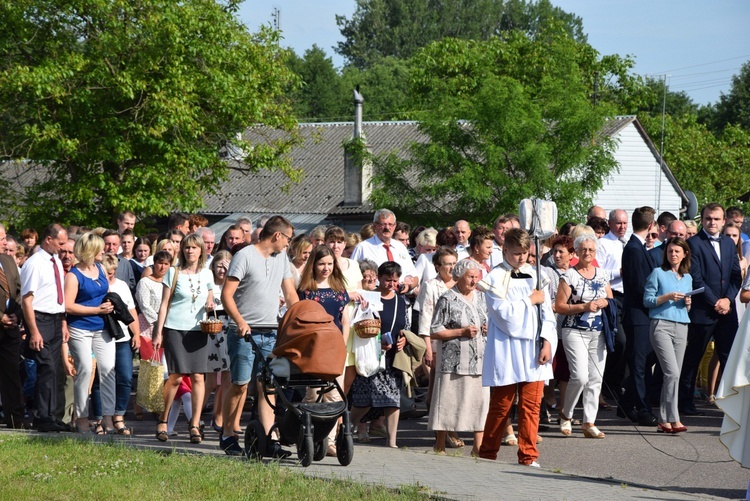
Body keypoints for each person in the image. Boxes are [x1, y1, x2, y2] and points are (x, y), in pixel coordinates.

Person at [219, 216, 299, 457]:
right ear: (277, 236)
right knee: (240, 385)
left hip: (271, 332)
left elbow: (290, 293)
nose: (288, 244)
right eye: (288, 238)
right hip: (244, 332)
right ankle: (228, 435)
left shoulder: (282, 258)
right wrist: (240, 321)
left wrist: (298, 319)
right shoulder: (244, 256)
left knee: (269, 387)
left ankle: (270, 440)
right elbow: (227, 295)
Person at [477, 229, 556, 467]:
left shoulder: (535, 274)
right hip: (507, 348)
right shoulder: (494, 278)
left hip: (533, 348)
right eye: (516, 254)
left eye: (525, 253)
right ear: (505, 251)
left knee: (531, 406)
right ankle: (487, 453)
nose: (521, 258)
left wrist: (548, 341)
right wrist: (529, 300)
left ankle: (528, 456)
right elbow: (502, 315)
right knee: (501, 406)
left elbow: (548, 313)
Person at [152, 233, 215, 444]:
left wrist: (210, 303)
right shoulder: (173, 272)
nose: (190, 251)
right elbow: (164, 304)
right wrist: (158, 332)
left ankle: (194, 424)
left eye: (194, 247)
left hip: (199, 330)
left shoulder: (207, 274)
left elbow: (210, 297)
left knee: (198, 377)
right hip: (174, 328)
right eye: (187, 247)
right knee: (176, 377)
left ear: (201, 251)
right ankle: (163, 420)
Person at [680, 203, 741, 416]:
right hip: (703, 311)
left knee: (729, 358)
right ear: (702, 220)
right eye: (708, 219)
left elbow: (736, 276)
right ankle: (685, 403)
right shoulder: (693, 244)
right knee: (693, 358)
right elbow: (695, 278)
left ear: (723, 221)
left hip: (727, 312)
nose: (712, 222)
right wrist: (716, 301)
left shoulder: (728, 243)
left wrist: (728, 300)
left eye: (716, 219)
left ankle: (733, 404)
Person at [297, 245, 359, 456]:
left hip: (335, 349)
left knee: (334, 396)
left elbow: (344, 319)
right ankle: (306, 432)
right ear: (313, 264)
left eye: (330, 264)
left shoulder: (339, 288)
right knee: (314, 394)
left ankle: (330, 440)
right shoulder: (305, 290)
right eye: (322, 263)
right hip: (314, 349)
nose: (326, 268)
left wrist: (341, 345)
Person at [428, 259, 489, 456]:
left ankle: (478, 448)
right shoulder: (447, 298)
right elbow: (435, 330)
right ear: (459, 277)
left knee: (479, 404)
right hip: (452, 362)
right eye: (470, 277)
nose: (473, 281)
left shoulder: (481, 298)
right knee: (447, 403)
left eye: (476, 277)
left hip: (479, 361)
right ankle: (440, 445)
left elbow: (488, 321)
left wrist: (488, 329)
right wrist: (460, 331)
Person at [556, 233, 613, 438]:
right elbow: (559, 306)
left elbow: (610, 298)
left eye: (591, 250)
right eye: (583, 249)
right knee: (579, 376)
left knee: (595, 378)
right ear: (576, 252)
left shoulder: (602, 274)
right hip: (574, 330)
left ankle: (589, 422)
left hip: (598, 331)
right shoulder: (569, 275)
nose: (587, 253)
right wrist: (584, 306)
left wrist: (605, 302)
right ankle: (566, 414)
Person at [349, 261, 411, 449]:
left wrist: (404, 340)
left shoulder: (402, 301)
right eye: (387, 280)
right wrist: (376, 340)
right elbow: (359, 323)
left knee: (393, 399)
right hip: (370, 355)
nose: (391, 284)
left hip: (392, 357)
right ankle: (349, 426)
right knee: (364, 401)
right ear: (379, 278)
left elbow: (406, 326)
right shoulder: (370, 297)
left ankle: (391, 441)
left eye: (395, 280)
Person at [64, 233, 116, 434]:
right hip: (79, 328)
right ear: (90, 251)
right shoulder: (73, 275)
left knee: (108, 369)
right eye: (100, 249)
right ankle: (82, 418)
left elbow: (104, 293)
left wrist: (110, 304)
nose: (104, 251)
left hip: (102, 327)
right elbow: (69, 306)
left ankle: (108, 418)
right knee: (85, 368)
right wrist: (96, 310)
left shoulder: (101, 269)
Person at [20, 224, 69, 432]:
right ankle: (41, 416)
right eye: (60, 243)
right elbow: (27, 300)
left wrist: (63, 322)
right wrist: (34, 331)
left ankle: (54, 415)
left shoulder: (55, 261)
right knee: (46, 367)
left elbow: (58, 296)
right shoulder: (34, 263)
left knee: (57, 369)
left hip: (56, 319)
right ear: (48, 239)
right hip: (40, 319)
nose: (62, 247)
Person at [644, 238, 692, 433]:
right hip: (661, 325)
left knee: (673, 375)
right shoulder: (658, 273)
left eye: (677, 251)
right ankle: (674, 418)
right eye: (670, 251)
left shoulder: (687, 277)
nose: (673, 254)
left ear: (684, 254)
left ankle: (663, 420)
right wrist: (668, 297)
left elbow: (687, 308)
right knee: (672, 373)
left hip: (681, 326)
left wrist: (688, 302)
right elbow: (647, 300)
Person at [620, 206, 659, 425]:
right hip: (638, 316)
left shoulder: (638, 247)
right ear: (651, 225)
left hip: (643, 316)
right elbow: (638, 286)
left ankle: (626, 402)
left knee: (645, 362)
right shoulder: (634, 249)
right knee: (640, 364)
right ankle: (643, 409)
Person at [102, 253, 140, 435]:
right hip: (102, 336)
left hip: (123, 337)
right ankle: (102, 416)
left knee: (125, 377)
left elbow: (130, 310)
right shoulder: (98, 285)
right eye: (107, 272)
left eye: (113, 271)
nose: (111, 275)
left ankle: (119, 415)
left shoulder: (122, 285)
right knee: (102, 378)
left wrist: (137, 334)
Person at [350, 209, 417, 293]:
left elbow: (414, 276)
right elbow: (351, 276)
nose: (387, 228)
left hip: (400, 298)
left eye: (390, 224)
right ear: (375, 226)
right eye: (383, 224)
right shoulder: (363, 247)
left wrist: (408, 286)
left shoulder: (401, 247)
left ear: (394, 226)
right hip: (374, 297)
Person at [204, 250, 232, 434]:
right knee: (211, 379)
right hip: (212, 332)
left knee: (227, 377)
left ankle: (219, 415)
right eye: (219, 265)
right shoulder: (209, 285)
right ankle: (196, 414)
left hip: (230, 330)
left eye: (226, 266)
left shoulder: (233, 285)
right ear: (213, 266)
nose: (222, 269)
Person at [0, 224, 25, 428]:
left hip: (10, 329)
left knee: (11, 372)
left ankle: (14, 416)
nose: (4, 242)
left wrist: (16, 315)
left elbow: (17, 292)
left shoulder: (8, 261)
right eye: (0, 239)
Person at [324, 226, 363, 294]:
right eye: (332, 242)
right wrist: (347, 296)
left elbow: (360, 291)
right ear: (325, 243)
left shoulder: (353, 264)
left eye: (339, 242)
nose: (335, 246)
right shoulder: (321, 265)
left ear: (344, 244)